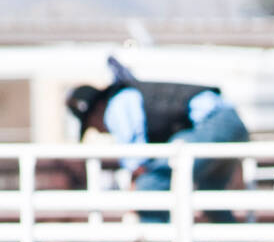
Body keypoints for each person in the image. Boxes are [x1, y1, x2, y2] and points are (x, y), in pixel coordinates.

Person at [66, 76, 248, 226]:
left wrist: (135, 196)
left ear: (97, 110)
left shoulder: (117, 105)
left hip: (213, 125)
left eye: (92, 125)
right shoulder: (129, 96)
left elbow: (136, 159)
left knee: (149, 187)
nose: (99, 130)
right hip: (231, 124)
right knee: (210, 192)